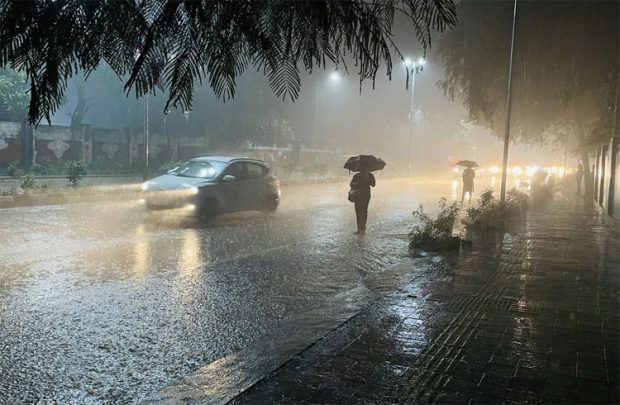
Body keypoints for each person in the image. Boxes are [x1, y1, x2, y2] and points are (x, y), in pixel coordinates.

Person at [350, 164, 375, 234]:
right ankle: (362, 228)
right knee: (363, 211)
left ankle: (360, 228)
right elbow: (373, 184)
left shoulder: (356, 176)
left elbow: (351, 184)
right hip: (365, 195)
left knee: (359, 212)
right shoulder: (369, 175)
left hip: (359, 196)